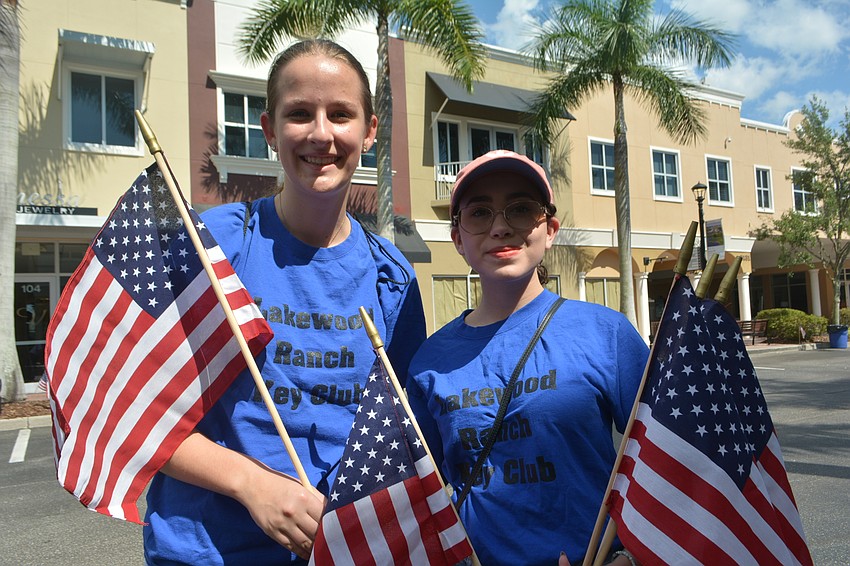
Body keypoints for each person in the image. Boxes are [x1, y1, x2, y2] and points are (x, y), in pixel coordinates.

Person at [143, 39, 426, 565]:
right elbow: (137, 401)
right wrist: (252, 484)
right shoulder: (213, 245)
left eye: (340, 114)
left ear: (369, 131)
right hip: (206, 551)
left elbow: (400, 434)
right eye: (300, 113)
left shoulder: (394, 277)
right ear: (270, 130)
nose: (322, 134)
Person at [407, 150, 649, 566]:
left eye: (521, 209)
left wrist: (630, 558)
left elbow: (666, 464)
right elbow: (416, 492)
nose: (500, 227)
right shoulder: (430, 361)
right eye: (479, 213)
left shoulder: (606, 333)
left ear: (550, 229)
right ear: (458, 239)